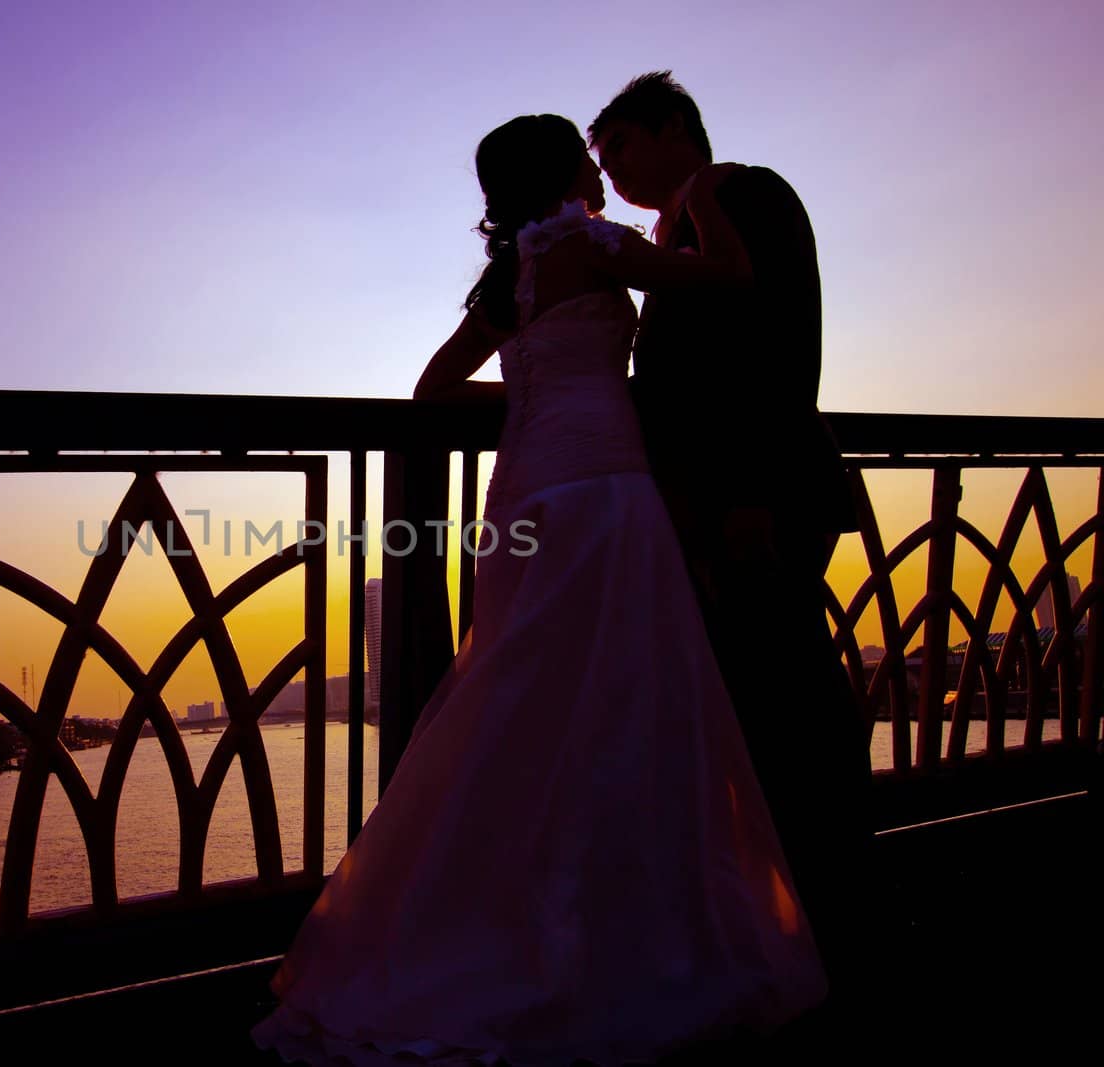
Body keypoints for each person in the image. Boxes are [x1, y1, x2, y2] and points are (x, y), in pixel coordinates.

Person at [249, 113, 827, 1066]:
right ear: (562, 171)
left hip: (522, 499)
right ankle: (607, 930)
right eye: (583, 155)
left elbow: (434, 390)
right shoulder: (588, 241)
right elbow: (732, 278)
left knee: (516, 705)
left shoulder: (513, 266)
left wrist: (534, 396)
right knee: (618, 707)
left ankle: (466, 921)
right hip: (603, 491)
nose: (596, 170)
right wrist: (709, 198)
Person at [589, 72, 872, 1000]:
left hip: (759, 498)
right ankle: (787, 920)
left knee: (788, 709)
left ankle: (837, 922)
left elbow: (774, 346)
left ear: (675, 128)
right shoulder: (681, 231)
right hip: (710, 507)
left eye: (621, 144)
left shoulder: (742, 192)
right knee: (757, 709)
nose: (611, 168)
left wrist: (746, 494)